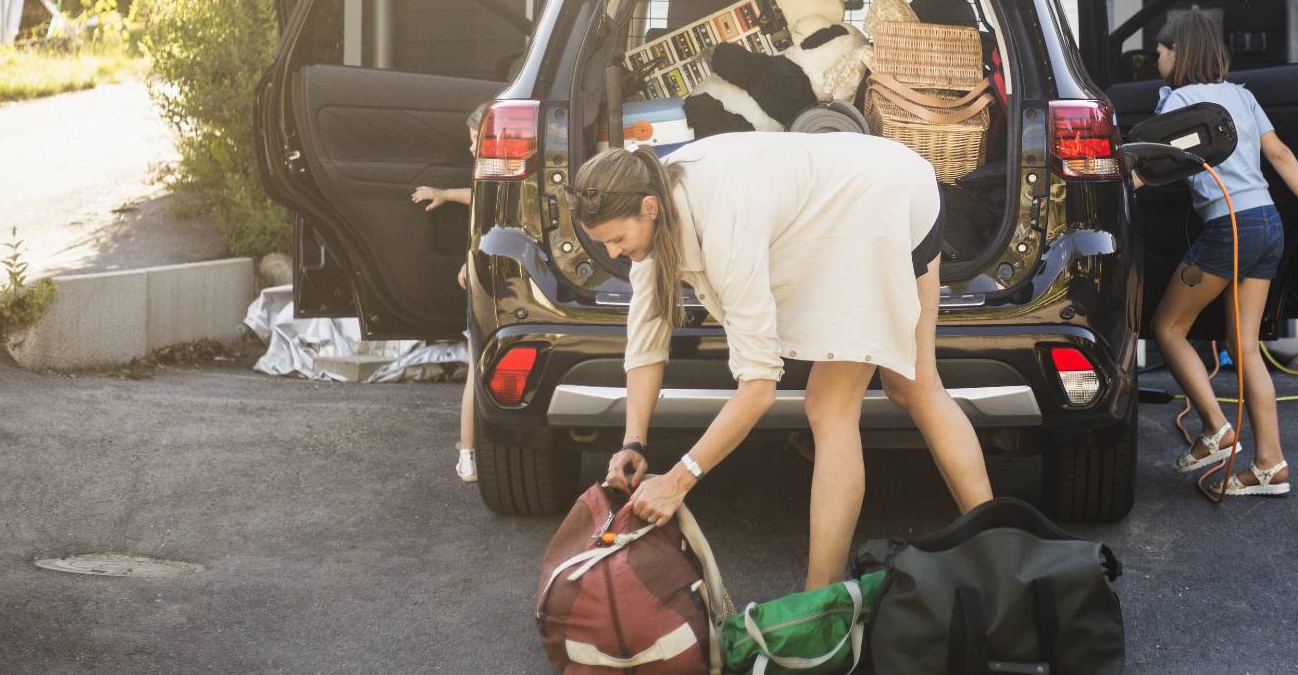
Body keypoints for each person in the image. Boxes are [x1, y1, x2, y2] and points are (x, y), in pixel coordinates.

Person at [573, 132, 993, 589]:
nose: (614, 253)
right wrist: (635, 442)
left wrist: (678, 480)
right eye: (605, 244)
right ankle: (999, 556)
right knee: (909, 385)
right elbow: (646, 343)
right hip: (873, 183)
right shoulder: (651, 207)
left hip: (879, 202)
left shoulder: (726, 224)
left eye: (617, 239)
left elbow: (758, 390)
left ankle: (822, 600)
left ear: (650, 208)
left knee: (845, 402)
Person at [1141, 9, 1298, 496]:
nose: (1156, 60)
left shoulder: (1177, 99)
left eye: (1159, 51)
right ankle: (1270, 465)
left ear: (1177, 52)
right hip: (1267, 223)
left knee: (1168, 328)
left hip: (1227, 227)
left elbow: (1160, 161)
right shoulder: (1243, 95)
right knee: (1245, 347)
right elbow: (1279, 154)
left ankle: (1216, 429)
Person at [410, 184, 478, 483]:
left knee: (475, 375)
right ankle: (469, 446)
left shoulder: (494, 172)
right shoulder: (501, 180)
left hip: (481, 271)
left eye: (474, 139)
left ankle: (467, 457)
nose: (471, 147)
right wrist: (446, 194)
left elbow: (485, 210)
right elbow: (478, 197)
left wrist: (471, 258)